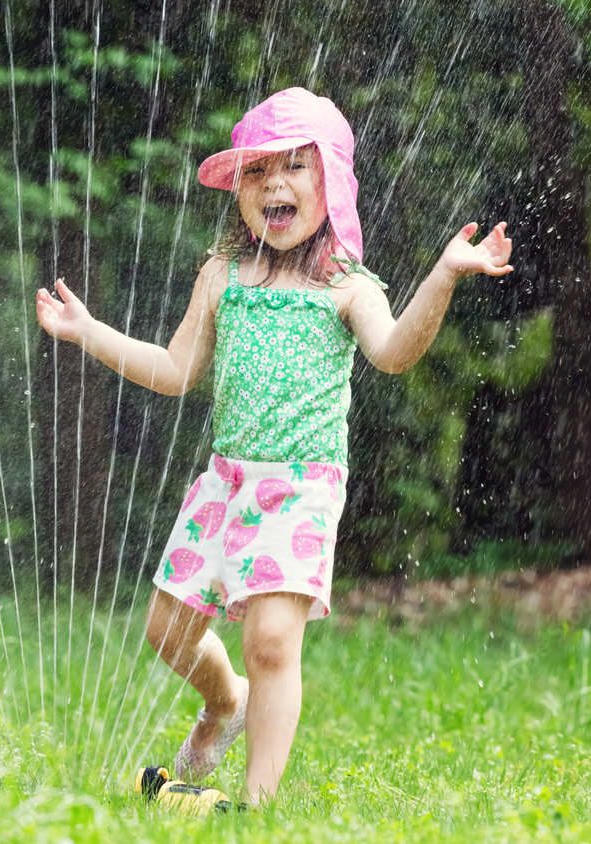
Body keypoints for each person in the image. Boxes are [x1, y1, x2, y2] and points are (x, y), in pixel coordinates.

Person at [34, 87, 513, 805]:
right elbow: (173, 370)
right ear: (239, 192)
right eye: (256, 172)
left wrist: (443, 276)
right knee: (165, 630)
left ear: (332, 183)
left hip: (302, 488)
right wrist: (88, 331)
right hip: (226, 483)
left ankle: (253, 804)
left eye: (295, 166)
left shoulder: (347, 287)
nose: (274, 184)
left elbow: (392, 354)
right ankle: (224, 700)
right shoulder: (222, 275)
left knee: (271, 642)